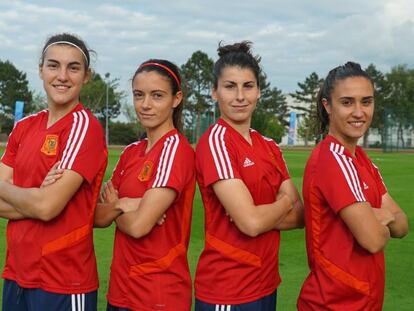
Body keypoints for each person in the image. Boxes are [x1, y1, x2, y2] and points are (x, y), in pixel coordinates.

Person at [0, 33, 107, 310]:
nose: (62, 76)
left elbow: (48, 207)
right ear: (40, 70)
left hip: (64, 281)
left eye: (73, 68)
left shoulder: (84, 127)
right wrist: (35, 198)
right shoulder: (24, 127)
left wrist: (32, 198)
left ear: (86, 76)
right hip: (16, 272)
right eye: (53, 65)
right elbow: (42, 204)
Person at [194, 41, 304, 311]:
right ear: (214, 92)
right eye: (230, 86)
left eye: (248, 86)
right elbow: (251, 223)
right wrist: (283, 203)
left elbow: (301, 216)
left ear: (259, 91)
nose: (240, 96)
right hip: (228, 290)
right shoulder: (216, 142)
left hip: (266, 283)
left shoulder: (269, 146)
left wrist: (258, 214)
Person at [297, 62, 409, 310]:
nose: (359, 112)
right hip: (333, 303)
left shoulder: (361, 160)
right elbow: (372, 240)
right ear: (328, 106)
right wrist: (380, 216)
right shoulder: (332, 159)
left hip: (363, 300)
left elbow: (402, 225)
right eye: (347, 102)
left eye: (366, 102)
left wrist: (379, 216)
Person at [93, 59, 195, 310]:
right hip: (120, 290)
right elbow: (96, 217)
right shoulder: (131, 152)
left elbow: (139, 226)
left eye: (157, 96)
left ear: (176, 98)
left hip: (158, 294)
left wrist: (117, 204)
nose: (145, 104)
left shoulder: (176, 150)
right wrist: (126, 205)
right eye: (139, 95)